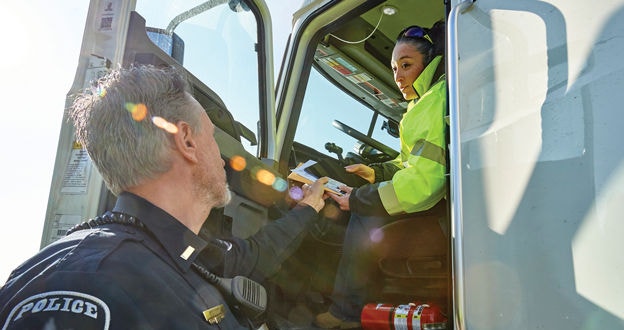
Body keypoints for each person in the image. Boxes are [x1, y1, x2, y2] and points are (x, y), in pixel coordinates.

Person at [0, 64, 329, 329]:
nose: (223, 157)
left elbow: (252, 255)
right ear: (187, 140)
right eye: (213, 137)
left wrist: (310, 208)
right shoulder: (83, 283)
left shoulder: (179, 248)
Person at [314, 21, 448, 329]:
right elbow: (409, 164)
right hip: (438, 207)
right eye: (394, 68)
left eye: (406, 65)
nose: (398, 76)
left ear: (428, 64)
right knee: (364, 206)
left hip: (444, 218)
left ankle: (345, 314)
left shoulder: (434, 100)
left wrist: (360, 200)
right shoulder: (421, 104)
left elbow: (424, 183)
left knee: (363, 218)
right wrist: (375, 173)